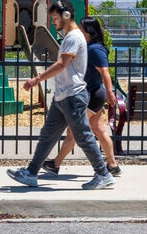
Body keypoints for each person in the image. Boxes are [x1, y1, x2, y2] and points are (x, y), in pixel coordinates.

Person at [6, 0, 116, 190]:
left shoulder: (73, 37)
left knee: (83, 136)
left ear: (66, 15)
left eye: (56, 18)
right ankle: (31, 173)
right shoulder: (70, 37)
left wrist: (36, 80)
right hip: (63, 96)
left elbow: (62, 64)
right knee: (48, 135)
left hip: (73, 96)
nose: (54, 21)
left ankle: (103, 173)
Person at [41, 17, 121, 176]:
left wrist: (110, 92)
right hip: (90, 94)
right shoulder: (88, 47)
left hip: (92, 94)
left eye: (81, 29)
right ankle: (112, 165)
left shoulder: (95, 49)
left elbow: (105, 72)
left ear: (89, 32)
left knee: (73, 131)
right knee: (99, 130)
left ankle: (55, 164)